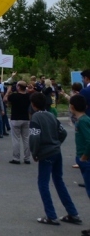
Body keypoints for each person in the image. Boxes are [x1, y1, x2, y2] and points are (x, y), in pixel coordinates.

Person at [27, 92, 81, 226]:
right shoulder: (51, 115)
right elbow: (62, 132)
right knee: (59, 181)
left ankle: (51, 215)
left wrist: (34, 152)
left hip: (45, 154)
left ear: (33, 105)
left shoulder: (35, 118)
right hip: (56, 152)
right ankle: (72, 212)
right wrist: (56, 144)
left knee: (43, 183)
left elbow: (34, 137)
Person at [69, 95, 90, 236]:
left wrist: (83, 157)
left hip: (86, 160)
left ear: (72, 107)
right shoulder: (83, 120)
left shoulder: (83, 121)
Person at [5, 81, 32, 164]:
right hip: (25, 118)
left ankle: (16, 158)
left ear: (19, 87)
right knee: (26, 139)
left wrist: (8, 91)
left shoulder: (14, 96)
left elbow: (5, 99)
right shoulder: (28, 96)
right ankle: (27, 158)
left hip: (15, 118)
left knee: (16, 139)